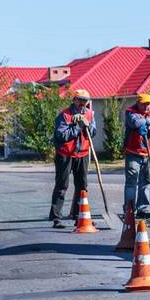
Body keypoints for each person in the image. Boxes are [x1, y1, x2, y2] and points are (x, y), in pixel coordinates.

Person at [49, 89, 96, 228]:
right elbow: (62, 136)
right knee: (62, 186)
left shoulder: (89, 114)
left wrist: (87, 125)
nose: (82, 103)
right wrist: (78, 126)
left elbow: (93, 132)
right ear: (74, 100)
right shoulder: (64, 115)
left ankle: (79, 216)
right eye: (80, 100)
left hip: (82, 154)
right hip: (65, 154)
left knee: (82, 187)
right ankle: (56, 218)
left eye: (85, 100)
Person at [123, 94, 150, 218]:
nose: (147, 106)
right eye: (144, 103)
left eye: (148, 103)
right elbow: (135, 123)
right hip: (133, 152)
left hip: (149, 152)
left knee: (145, 181)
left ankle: (143, 208)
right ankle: (129, 209)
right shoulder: (130, 112)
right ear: (138, 103)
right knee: (131, 182)